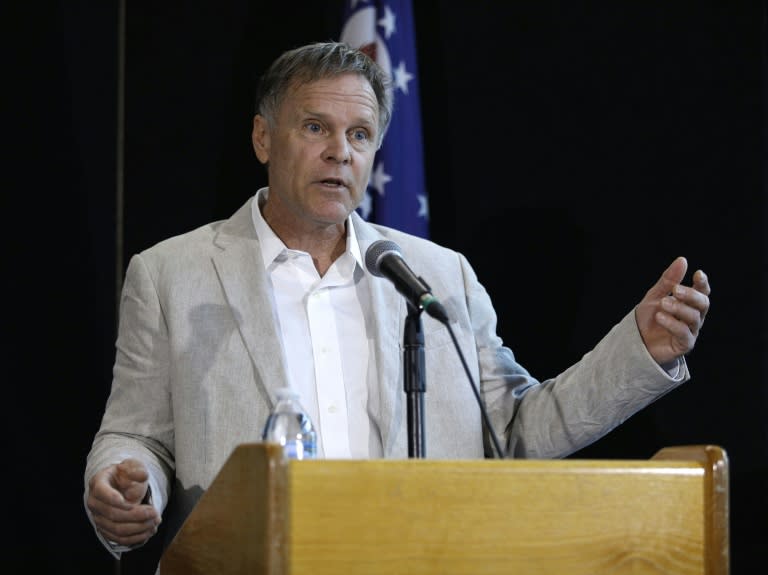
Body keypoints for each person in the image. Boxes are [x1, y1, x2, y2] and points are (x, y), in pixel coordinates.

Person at [84, 41, 711, 567]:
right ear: (262, 138)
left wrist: (640, 350)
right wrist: (125, 485)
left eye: (360, 134)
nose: (341, 152)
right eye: (315, 128)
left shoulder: (437, 275)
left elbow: (516, 430)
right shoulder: (171, 274)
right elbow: (136, 436)